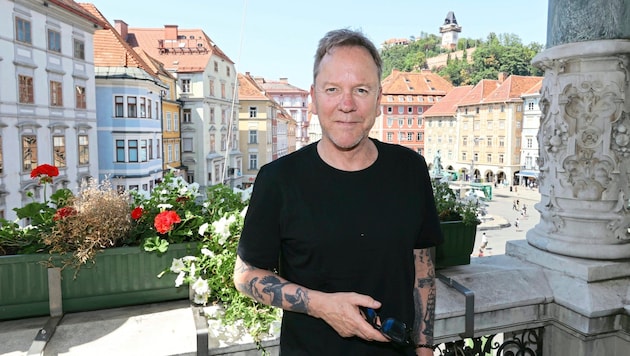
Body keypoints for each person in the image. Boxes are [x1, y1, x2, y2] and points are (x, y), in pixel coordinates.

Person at [233, 28, 443, 355]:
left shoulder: (410, 170)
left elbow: (423, 270)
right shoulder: (278, 179)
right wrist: (322, 306)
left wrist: (425, 347)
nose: (347, 104)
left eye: (361, 89)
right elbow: (246, 276)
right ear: (314, 99)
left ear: (378, 101)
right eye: (333, 89)